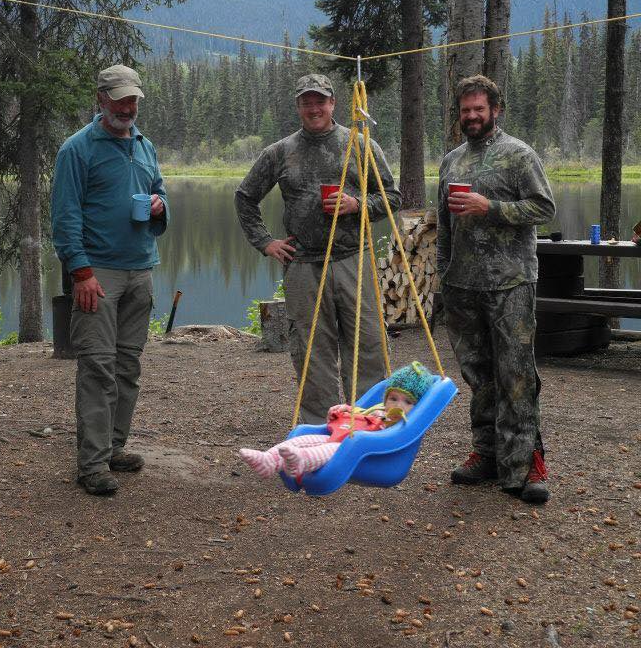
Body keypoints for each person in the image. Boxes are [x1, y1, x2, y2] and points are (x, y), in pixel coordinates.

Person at [235, 73, 402, 424]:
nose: (314, 108)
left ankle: (370, 423)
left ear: (333, 103)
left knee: (368, 345)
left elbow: (392, 197)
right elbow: (245, 197)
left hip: (354, 258)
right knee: (312, 349)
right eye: (306, 102)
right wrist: (265, 242)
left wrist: (357, 205)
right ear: (298, 106)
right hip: (304, 265)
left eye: (320, 101)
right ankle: (321, 426)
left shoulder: (360, 144)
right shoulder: (279, 152)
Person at [437, 75, 556, 504]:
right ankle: (487, 454)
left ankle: (528, 464)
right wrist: (442, 278)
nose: (471, 116)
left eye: (478, 109)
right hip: (462, 285)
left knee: (517, 375)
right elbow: (445, 227)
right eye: (465, 110)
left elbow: (544, 207)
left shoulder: (518, 154)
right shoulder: (451, 162)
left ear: (495, 110)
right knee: (478, 375)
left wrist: (492, 208)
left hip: (511, 282)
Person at [51, 64, 169, 496]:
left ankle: (114, 447)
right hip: (97, 273)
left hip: (141, 268)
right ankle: (92, 464)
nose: (127, 106)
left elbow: (159, 190)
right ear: (101, 98)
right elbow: (64, 217)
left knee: (127, 365)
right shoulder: (77, 149)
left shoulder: (144, 145)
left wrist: (160, 206)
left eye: (133, 99)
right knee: (98, 366)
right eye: (119, 99)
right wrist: (80, 272)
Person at [239, 362, 434, 478]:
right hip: (344, 437)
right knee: (300, 439)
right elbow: (361, 414)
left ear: (419, 407)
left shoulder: (401, 420)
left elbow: (394, 429)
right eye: (393, 398)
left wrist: (388, 417)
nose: (398, 405)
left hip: (366, 452)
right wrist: (345, 410)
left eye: (408, 401)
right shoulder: (379, 409)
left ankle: (302, 462)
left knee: (332, 449)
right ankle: (268, 461)